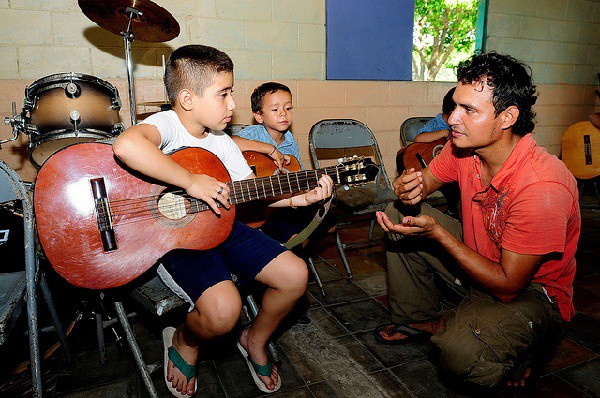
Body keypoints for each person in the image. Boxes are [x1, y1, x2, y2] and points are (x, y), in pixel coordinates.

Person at [112, 44, 334, 397]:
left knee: (294, 275)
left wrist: (299, 199)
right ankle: (185, 339)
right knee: (223, 312)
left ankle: (255, 339)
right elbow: (127, 146)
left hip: (225, 227)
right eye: (224, 94)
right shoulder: (167, 124)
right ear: (188, 99)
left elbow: (249, 192)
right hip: (177, 240)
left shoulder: (222, 141)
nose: (233, 105)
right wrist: (190, 181)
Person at [375, 51, 580, 390]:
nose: (452, 118)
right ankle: (421, 318)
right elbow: (425, 182)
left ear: (507, 117)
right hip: (486, 258)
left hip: (532, 291)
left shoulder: (542, 185)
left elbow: (507, 287)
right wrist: (410, 187)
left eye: (469, 110)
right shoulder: (463, 149)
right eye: (455, 105)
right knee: (400, 215)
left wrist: (440, 235)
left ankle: (529, 346)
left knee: (461, 352)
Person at [231, 82, 335, 244]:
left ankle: (296, 247)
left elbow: (296, 176)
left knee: (328, 220)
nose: (283, 114)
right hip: (254, 210)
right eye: (275, 109)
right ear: (259, 116)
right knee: (290, 232)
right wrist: (269, 149)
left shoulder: (290, 142)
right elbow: (230, 143)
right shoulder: (253, 134)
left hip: (283, 205)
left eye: (288, 108)